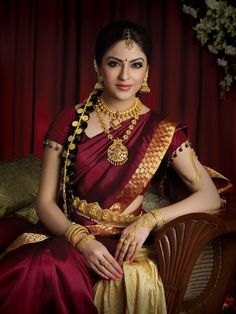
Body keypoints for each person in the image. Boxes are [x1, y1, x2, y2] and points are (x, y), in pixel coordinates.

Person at [0, 20, 221, 314]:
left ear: (147, 70)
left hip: (121, 243)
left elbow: (210, 197)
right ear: (97, 66)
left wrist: (148, 220)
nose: (125, 75)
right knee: (36, 265)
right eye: (114, 63)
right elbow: (44, 203)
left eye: (136, 64)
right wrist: (82, 241)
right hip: (67, 235)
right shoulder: (69, 120)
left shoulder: (162, 131)